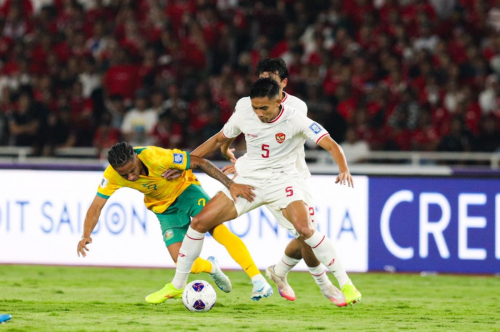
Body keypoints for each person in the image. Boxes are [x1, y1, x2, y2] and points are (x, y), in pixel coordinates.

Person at [158, 78, 360, 307]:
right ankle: (176, 286)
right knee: (199, 223)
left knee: (306, 231)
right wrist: (185, 163)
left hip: (282, 183)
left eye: (264, 108)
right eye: (255, 107)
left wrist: (343, 168)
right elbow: (217, 140)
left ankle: (345, 284)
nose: (259, 113)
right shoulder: (244, 114)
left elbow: (332, 144)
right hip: (248, 181)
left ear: (279, 101)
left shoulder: (296, 119)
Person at [220, 58, 361, 305]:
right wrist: (240, 160)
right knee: (306, 232)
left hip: (293, 175)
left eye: (271, 77)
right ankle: (324, 284)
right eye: (261, 77)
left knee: (305, 233)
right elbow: (250, 137)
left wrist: (343, 166)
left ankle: (280, 271)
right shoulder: (246, 104)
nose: (265, 82)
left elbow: (280, 143)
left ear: (283, 83)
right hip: (261, 177)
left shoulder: (296, 108)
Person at [76, 142, 269, 303]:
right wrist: (86, 235)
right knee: (183, 263)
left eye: (132, 171)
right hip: (164, 209)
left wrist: (231, 185)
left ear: (136, 157)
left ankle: (256, 278)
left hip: (187, 191)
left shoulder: (157, 156)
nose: (131, 177)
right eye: (125, 176)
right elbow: (96, 207)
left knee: (216, 229)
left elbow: (200, 162)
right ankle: (212, 267)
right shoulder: (112, 175)